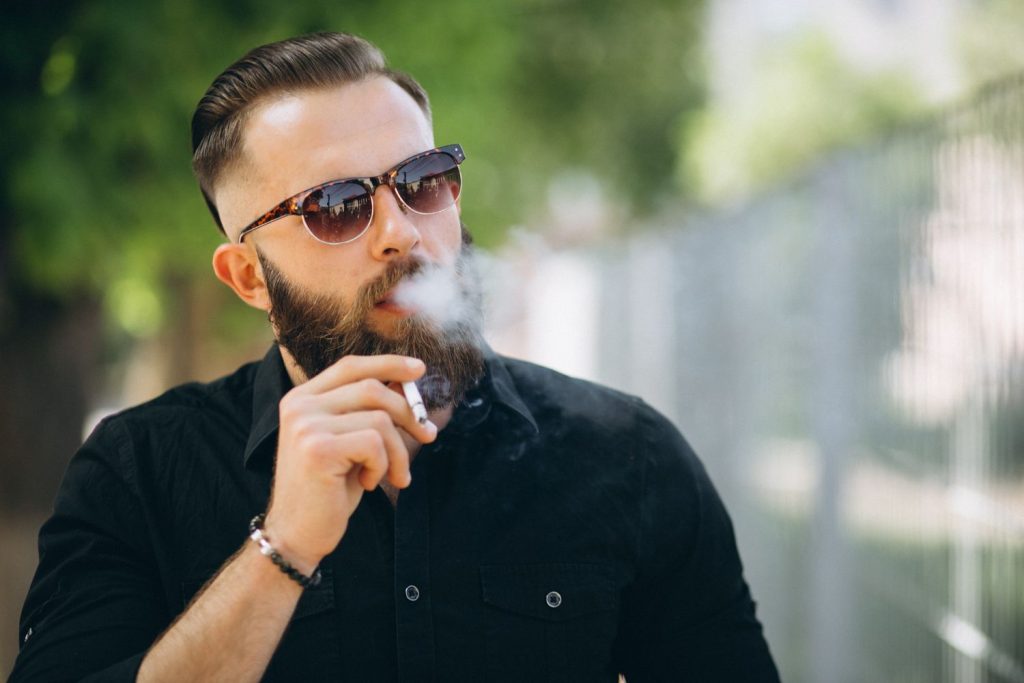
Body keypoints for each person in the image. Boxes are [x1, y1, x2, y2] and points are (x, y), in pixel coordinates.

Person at [11, 32, 781, 682]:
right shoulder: (136, 471)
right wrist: (281, 550)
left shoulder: (630, 456)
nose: (401, 232)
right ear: (249, 277)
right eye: (336, 207)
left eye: (423, 181)